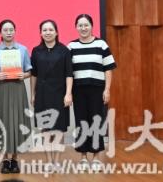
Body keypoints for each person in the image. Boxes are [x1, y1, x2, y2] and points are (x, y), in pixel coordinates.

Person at [68, 13, 116, 172]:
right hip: (78, 90)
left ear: (91, 26)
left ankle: (95, 157)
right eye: (80, 25)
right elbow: (68, 71)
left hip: (97, 90)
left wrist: (107, 89)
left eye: (86, 25)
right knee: (81, 122)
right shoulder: (71, 46)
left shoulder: (101, 44)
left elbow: (108, 69)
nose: (83, 28)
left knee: (96, 122)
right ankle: (83, 156)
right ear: (76, 27)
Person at [30, 19, 73, 173]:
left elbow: (69, 74)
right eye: (44, 30)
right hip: (42, 94)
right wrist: (33, 94)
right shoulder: (36, 51)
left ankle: (57, 161)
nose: (47, 32)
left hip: (60, 94)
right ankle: (48, 161)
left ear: (56, 32)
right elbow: (34, 74)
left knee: (60, 130)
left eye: (50, 30)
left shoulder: (64, 50)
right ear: (41, 33)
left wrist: (68, 94)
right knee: (46, 129)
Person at [0, 19, 32, 174]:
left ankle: (14, 160)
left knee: (17, 121)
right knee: (2, 121)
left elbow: (29, 70)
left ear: (15, 31)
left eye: (11, 30)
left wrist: (24, 75)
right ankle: (4, 161)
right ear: (0, 32)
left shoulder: (23, 49)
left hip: (17, 89)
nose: (8, 32)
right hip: (1, 89)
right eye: (5, 30)